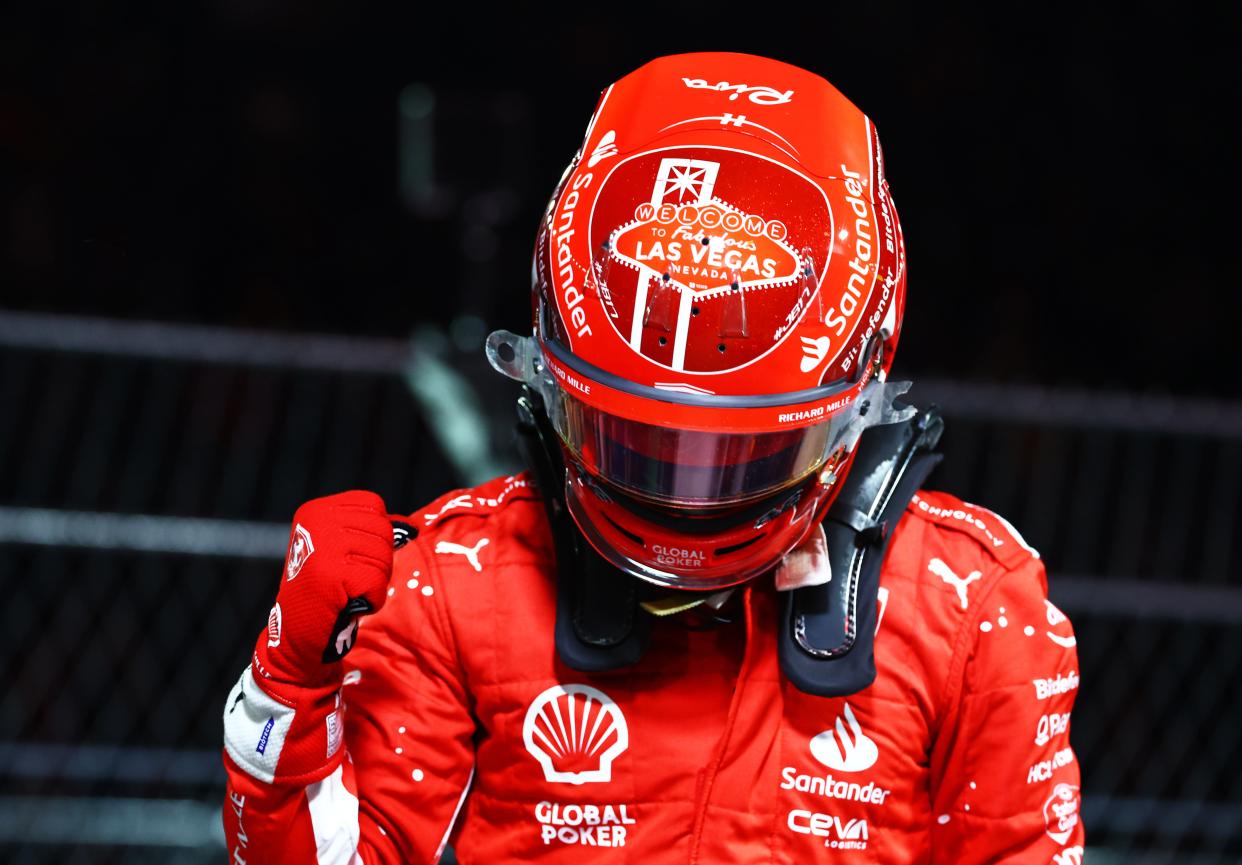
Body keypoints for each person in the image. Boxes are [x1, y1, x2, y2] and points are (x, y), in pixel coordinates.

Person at [221, 51, 1084, 864]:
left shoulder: (971, 606)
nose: (685, 490)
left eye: (742, 450)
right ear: (547, 377)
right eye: (637, 438)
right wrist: (287, 685)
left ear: (861, 398)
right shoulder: (457, 583)